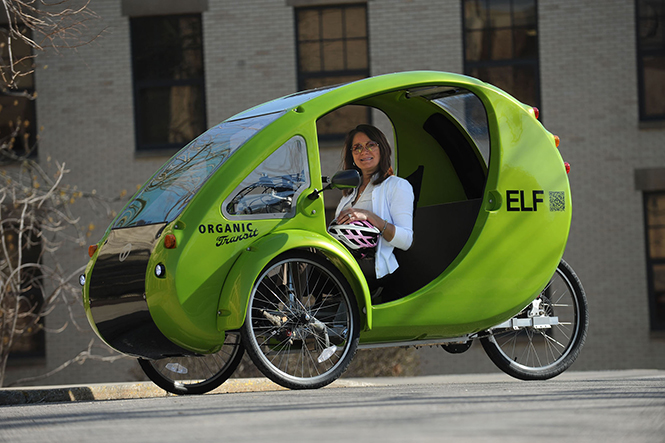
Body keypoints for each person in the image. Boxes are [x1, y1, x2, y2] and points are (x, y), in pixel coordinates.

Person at [331, 124, 414, 301]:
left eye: (370, 145)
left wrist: (369, 216)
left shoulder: (397, 186)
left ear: (382, 149)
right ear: (352, 156)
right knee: (295, 252)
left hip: (371, 264)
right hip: (342, 256)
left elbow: (406, 240)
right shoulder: (349, 193)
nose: (364, 151)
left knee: (304, 260)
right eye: (357, 148)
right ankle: (268, 306)